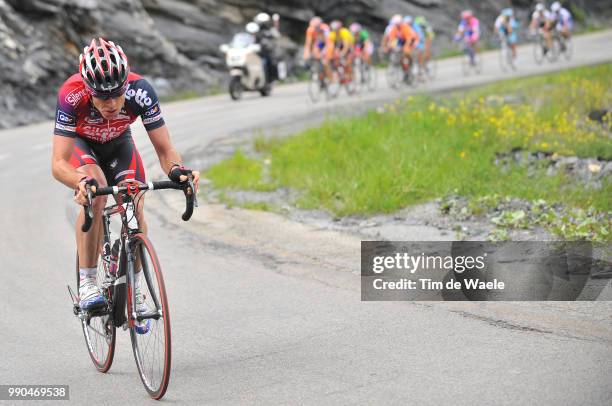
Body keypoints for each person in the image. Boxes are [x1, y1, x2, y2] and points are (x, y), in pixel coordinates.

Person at [51, 38, 200, 314]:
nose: (111, 102)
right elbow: (58, 162)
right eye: (102, 96)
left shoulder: (141, 91)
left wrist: (178, 171)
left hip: (119, 143)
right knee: (96, 193)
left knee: (135, 200)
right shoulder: (71, 95)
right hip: (83, 146)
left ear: (126, 85)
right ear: (87, 89)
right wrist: (79, 183)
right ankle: (88, 283)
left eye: (117, 93)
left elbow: (165, 150)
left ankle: (135, 288)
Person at [253, 12, 281, 84]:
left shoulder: (270, 31)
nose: (262, 24)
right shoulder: (256, 31)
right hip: (257, 51)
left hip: (267, 52)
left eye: (263, 23)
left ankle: (270, 79)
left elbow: (276, 36)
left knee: (270, 63)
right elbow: (252, 39)